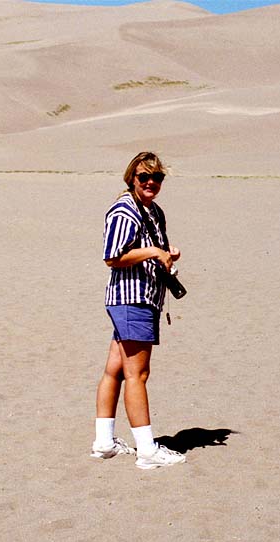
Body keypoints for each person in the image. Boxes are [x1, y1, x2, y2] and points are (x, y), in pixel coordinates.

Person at [91, 151, 186, 470]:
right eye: (144, 177)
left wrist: (166, 255)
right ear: (132, 177)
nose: (151, 183)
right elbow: (112, 256)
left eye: (157, 178)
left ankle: (104, 442)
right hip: (131, 299)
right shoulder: (124, 211)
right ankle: (147, 450)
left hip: (145, 296)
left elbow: (152, 251)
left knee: (115, 370)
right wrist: (151, 251)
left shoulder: (154, 212)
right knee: (138, 374)